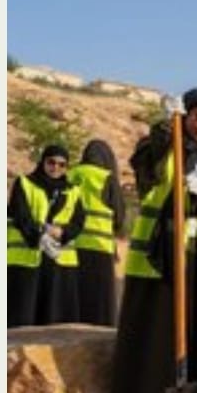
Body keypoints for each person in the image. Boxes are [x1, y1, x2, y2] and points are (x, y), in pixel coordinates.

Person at [107, 87, 197, 393]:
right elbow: (149, 171)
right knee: (158, 332)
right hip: (161, 253)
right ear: (185, 115)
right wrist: (167, 127)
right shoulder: (161, 145)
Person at [7, 144, 86, 327]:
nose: (56, 168)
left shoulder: (73, 191)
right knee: (22, 317)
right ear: (42, 161)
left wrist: (62, 232)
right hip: (28, 258)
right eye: (51, 162)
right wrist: (41, 233)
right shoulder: (25, 183)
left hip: (58, 261)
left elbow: (79, 221)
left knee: (53, 319)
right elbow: (20, 214)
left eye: (62, 164)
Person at [66, 139, 125, 326]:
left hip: (70, 247)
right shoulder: (106, 177)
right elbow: (119, 216)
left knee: (74, 299)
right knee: (100, 305)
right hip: (99, 247)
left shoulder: (70, 174)